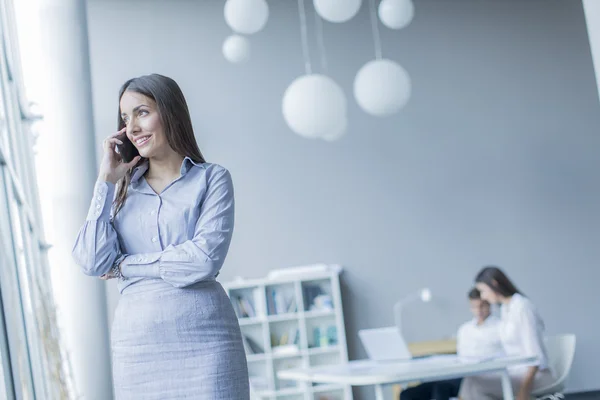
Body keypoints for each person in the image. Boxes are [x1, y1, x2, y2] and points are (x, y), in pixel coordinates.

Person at [71, 74, 249, 399]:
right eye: (125, 118)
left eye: (141, 112)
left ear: (170, 112)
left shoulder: (212, 180)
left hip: (207, 343)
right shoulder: (121, 191)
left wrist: (126, 266)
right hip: (137, 348)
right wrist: (105, 181)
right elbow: (92, 261)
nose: (132, 128)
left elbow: (203, 261)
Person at [459, 266, 555, 400]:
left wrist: (523, 394)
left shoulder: (522, 307)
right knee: (470, 381)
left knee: (475, 385)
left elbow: (536, 357)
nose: (483, 296)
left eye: (483, 291)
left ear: (494, 283)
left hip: (535, 376)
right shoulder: (506, 309)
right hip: (515, 371)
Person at [399, 288, 502, 400]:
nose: (478, 310)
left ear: (489, 305)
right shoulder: (465, 329)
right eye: (474, 306)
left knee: (440, 389)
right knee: (407, 394)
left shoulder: (499, 327)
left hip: (477, 378)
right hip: (457, 373)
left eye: (482, 306)